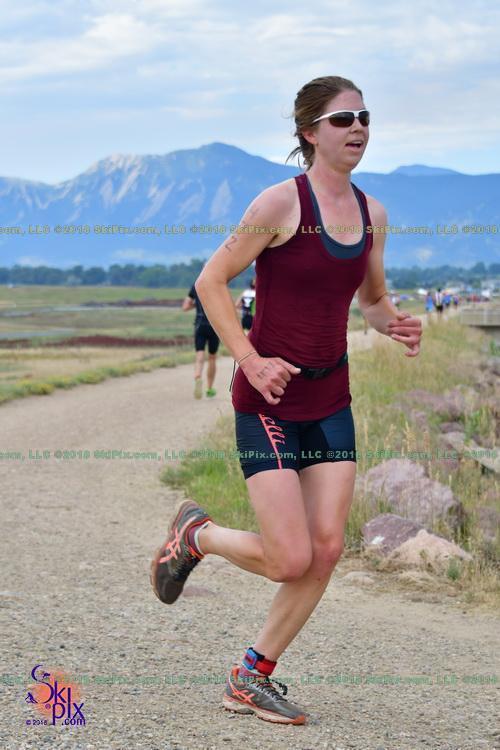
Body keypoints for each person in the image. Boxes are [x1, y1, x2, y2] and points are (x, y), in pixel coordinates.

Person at [151, 75, 423, 725]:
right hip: (268, 401)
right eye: (343, 119)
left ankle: (252, 677)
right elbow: (211, 281)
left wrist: (394, 322)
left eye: (364, 117)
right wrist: (250, 358)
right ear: (309, 132)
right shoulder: (278, 203)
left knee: (325, 550)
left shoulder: (373, 214)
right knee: (289, 558)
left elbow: (371, 299)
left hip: (331, 400)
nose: (358, 128)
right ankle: (197, 535)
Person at [182, 282, 219, 398]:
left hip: (200, 325)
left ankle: (198, 377)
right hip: (214, 326)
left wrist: (196, 304)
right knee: (212, 357)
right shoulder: (218, 283)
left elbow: (185, 307)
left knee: (199, 355)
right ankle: (209, 388)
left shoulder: (196, 286)